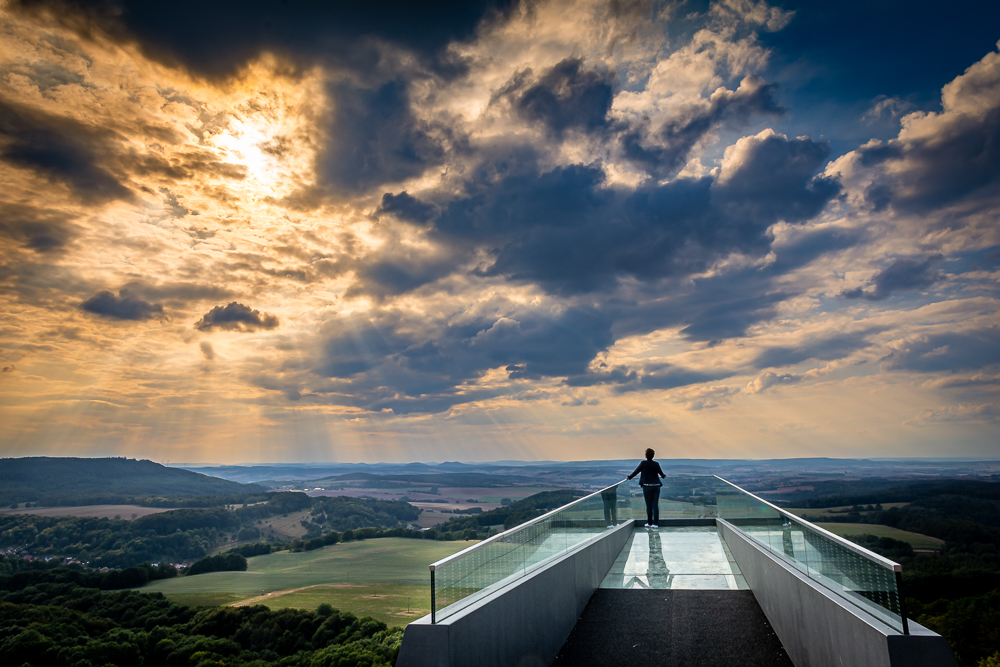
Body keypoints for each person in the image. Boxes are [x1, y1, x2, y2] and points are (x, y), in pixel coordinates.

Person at [627, 448, 665, 528]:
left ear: (646, 455)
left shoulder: (643, 463)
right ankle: (656, 524)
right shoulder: (656, 464)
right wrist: (664, 476)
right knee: (655, 505)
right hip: (656, 486)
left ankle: (649, 523)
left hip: (647, 486)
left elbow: (636, 471)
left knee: (649, 505)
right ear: (653, 456)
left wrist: (629, 477)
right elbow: (662, 475)